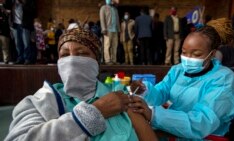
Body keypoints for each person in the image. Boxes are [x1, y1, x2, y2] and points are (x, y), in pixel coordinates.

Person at [4, 28, 157, 141]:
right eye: (64, 54)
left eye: (82, 53)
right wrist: (95, 112)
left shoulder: (119, 97)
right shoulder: (41, 101)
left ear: (96, 63)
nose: (71, 61)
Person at [130, 26, 234, 140]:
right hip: (172, 128)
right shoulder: (178, 70)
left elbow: (201, 123)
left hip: (204, 136)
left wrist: (154, 115)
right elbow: (161, 92)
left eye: (196, 54)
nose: (188, 58)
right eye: (184, 52)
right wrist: (144, 90)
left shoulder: (224, 80)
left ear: (212, 54)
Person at [7, 0, 37, 64]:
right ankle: (20, 58)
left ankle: (27, 59)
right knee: (18, 44)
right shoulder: (12, 2)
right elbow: (7, 7)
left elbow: (34, 12)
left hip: (25, 25)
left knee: (26, 43)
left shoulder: (28, 2)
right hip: (15, 25)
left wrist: (22, 3)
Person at [100, 0, 120, 65]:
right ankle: (107, 60)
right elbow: (102, 19)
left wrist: (118, 29)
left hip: (115, 30)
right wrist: (103, 29)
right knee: (107, 45)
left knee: (115, 45)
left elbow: (117, 20)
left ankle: (114, 60)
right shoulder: (103, 8)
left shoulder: (115, 9)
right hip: (108, 30)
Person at [0, 0, 10, 64]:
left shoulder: (6, 7)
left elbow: (7, 15)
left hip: (4, 30)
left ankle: (6, 60)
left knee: (5, 46)